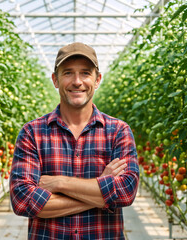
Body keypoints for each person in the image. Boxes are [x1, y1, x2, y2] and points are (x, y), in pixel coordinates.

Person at [9, 42, 139, 240]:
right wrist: (102, 192)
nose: (77, 81)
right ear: (55, 79)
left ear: (97, 80)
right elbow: (23, 201)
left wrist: (59, 183)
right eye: (68, 73)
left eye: (85, 73)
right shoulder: (32, 133)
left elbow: (125, 192)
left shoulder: (118, 131)